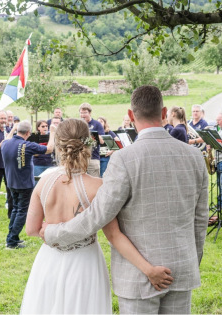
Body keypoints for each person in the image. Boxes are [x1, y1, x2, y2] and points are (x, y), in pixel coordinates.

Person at [41, 86, 209, 314]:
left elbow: (97, 215)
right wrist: (190, 261)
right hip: (180, 267)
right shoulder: (194, 156)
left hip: (136, 276)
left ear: (131, 115)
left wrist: (54, 233)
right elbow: (200, 220)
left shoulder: (124, 158)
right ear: (164, 112)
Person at [22, 118, 174, 314]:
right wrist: (148, 270)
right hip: (84, 264)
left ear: (59, 146)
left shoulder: (43, 182)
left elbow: (31, 230)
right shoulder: (98, 186)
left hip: (48, 262)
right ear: (88, 143)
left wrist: (50, 228)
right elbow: (114, 236)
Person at [1, 121, 55, 250]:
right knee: (22, 211)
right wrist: (52, 133)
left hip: (11, 181)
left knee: (15, 209)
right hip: (24, 183)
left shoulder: (6, 143)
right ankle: (12, 240)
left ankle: (12, 237)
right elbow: (49, 149)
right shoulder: (27, 145)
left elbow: (7, 138)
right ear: (28, 133)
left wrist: (13, 128)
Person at [79, 103, 105, 177]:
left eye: (85, 113)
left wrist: (90, 134)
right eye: (81, 113)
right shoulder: (78, 124)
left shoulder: (97, 124)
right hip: (80, 158)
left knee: (94, 182)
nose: (83, 115)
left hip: (93, 158)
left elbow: (102, 141)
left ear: (90, 113)